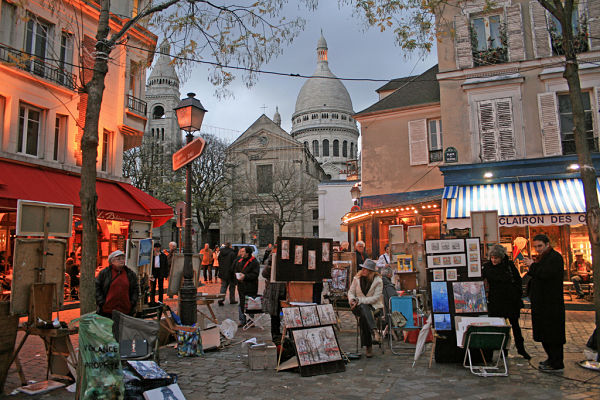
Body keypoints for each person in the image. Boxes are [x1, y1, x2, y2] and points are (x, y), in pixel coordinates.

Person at [524, 234, 565, 371]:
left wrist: (532, 266)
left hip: (551, 303)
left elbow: (546, 274)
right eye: (535, 247)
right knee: (545, 334)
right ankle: (551, 359)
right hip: (541, 303)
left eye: (539, 246)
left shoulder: (555, 258)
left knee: (553, 334)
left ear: (547, 244)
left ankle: (556, 361)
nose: (537, 249)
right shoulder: (543, 258)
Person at [483, 244, 530, 360]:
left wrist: (517, 294)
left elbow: (517, 280)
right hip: (496, 301)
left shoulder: (509, 265)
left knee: (515, 326)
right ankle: (503, 349)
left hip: (510, 300)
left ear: (501, 257)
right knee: (499, 326)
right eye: (492, 257)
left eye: (496, 258)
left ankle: (521, 348)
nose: (494, 260)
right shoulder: (488, 267)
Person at [348, 259, 383, 358]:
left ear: (371, 271)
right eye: (363, 268)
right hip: (357, 307)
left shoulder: (378, 281)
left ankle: (368, 346)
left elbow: (375, 298)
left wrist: (359, 300)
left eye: (365, 269)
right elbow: (350, 292)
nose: (363, 270)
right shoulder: (356, 279)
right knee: (363, 309)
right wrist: (352, 300)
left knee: (364, 314)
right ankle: (374, 331)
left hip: (374, 307)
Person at [95, 250, 138, 318]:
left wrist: (132, 302)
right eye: (118, 259)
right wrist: (101, 302)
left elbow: (135, 288)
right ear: (112, 261)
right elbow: (97, 287)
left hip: (125, 310)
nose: (121, 261)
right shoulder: (105, 273)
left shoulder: (130, 274)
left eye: (123, 258)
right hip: (107, 310)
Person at [262, 245, 286, 344]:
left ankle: (281, 333)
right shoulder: (270, 260)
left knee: (281, 313)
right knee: (275, 315)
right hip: (273, 291)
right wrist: (270, 265)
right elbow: (264, 273)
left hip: (282, 289)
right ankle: (275, 335)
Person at [235, 246, 260, 327]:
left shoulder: (254, 262)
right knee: (241, 303)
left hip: (250, 286)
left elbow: (255, 274)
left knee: (250, 303)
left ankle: (250, 320)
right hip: (241, 285)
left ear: (247, 253)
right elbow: (235, 269)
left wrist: (245, 276)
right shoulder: (239, 260)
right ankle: (242, 320)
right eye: (241, 251)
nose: (241, 253)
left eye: (243, 251)